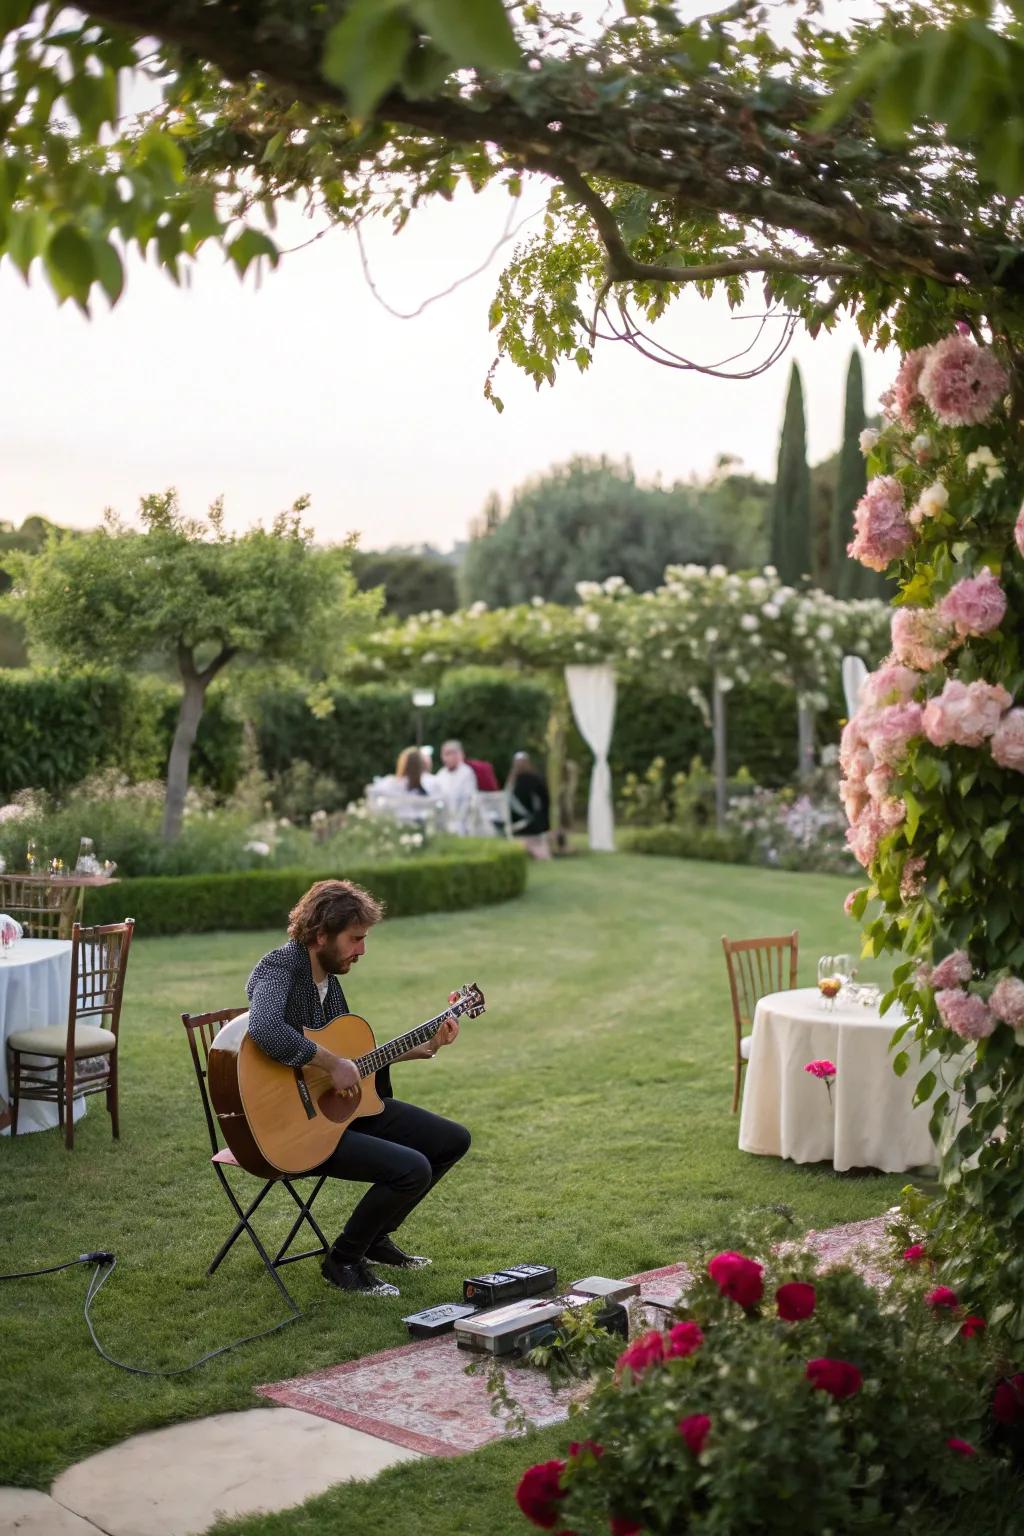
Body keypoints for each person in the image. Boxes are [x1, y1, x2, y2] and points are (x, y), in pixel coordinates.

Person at [245, 879, 471, 1297]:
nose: (362, 950)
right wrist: (331, 1063)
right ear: (320, 935)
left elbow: (352, 1062)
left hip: (336, 1112)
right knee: (411, 1168)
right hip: (288, 1129)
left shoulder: (329, 981)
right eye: (356, 939)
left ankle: (374, 1240)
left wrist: (422, 1047)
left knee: (452, 1140)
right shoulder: (280, 968)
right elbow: (264, 1028)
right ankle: (343, 1260)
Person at [506, 751, 551, 859]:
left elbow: (543, 802)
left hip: (529, 825)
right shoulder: (514, 780)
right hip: (526, 825)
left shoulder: (534, 779)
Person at [436, 738, 479, 834]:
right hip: (444, 822)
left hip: (462, 823)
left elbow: (468, 801)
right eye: (443, 754)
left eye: (448, 754)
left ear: (457, 754)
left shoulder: (467, 773)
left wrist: (457, 823)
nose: (445, 758)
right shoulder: (441, 774)